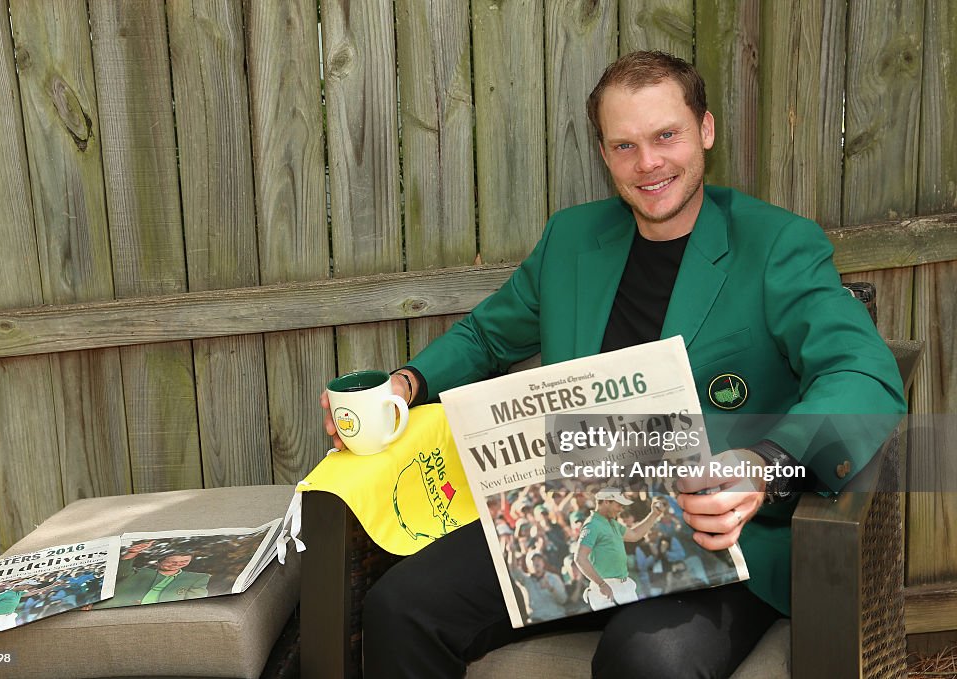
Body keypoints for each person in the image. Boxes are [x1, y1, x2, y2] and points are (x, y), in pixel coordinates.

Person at [321, 50, 905, 678]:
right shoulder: (572, 240)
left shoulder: (777, 245)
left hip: (712, 535)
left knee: (649, 659)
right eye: (624, 145)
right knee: (400, 607)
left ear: (705, 131)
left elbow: (862, 376)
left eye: (666, 136)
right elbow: (488, 337)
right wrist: (405, 384)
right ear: (603, 154)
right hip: (565, 515)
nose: (648, 162)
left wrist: (764, 465)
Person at [575, 488, 662, 609]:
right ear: (606, 502)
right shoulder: (592, 525)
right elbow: (580, 558)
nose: (621, 509)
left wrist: (654, 515)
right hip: (607, 590)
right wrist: (601, 584)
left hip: (624, 586)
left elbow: (634, 535)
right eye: (619, 505)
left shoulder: (612, 523)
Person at [94, 541, 210, 608]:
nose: (177, 565)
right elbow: (118, 573)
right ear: (158, 562)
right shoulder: (140, 572)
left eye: (184, 562)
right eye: (172, 562)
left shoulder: (196, 578)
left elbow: (195, 603)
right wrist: (132, 553)